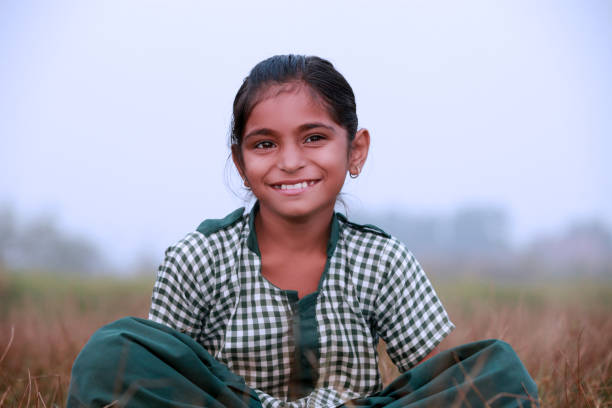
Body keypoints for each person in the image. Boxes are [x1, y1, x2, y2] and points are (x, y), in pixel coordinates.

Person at [67, 55, 539, 407]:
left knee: (500, 372)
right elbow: (166, 372)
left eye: (314, 137)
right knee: (112, 353)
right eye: (265, 143)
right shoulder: (198, 257)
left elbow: (445, 377)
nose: (290, 161)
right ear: (241, 162)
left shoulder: (381, 259)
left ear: (355, 150)